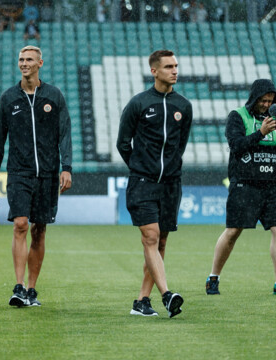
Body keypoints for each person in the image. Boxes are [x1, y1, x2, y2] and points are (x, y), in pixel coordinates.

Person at [0, 45, 72, 307]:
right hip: (19, 172)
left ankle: (32, 288)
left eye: (29, 60)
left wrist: (66, 166)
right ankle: (19, 285)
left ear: (40, 63)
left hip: (47, 174)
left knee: (40, 230)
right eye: (21, 59)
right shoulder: (9, 98)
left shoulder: (53, 96)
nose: (24, 63)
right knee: (20, 224)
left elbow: (65, 134)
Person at [116, 50, 193, 318]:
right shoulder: (138, 104)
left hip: (171, 184)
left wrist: (168, 169)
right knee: (150, 236)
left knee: (160, 243)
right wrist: (140, 167)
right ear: (154, 71)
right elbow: (122, 143)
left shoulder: (184, 106)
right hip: (142, 183)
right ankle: (167, 295)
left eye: (176, 66)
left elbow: (179, 146)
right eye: (169, 67)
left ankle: (141, 301)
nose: (174, 71)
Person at [205, 79, 276, 295]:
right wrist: (261, 133)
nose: (266, 104)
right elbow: (236, 146)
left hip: (272, 185)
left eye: (270, 101)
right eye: (263, 100)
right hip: (245, 185)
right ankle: (214, 277)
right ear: (254, 98)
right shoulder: (237, 116)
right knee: (233, 232)